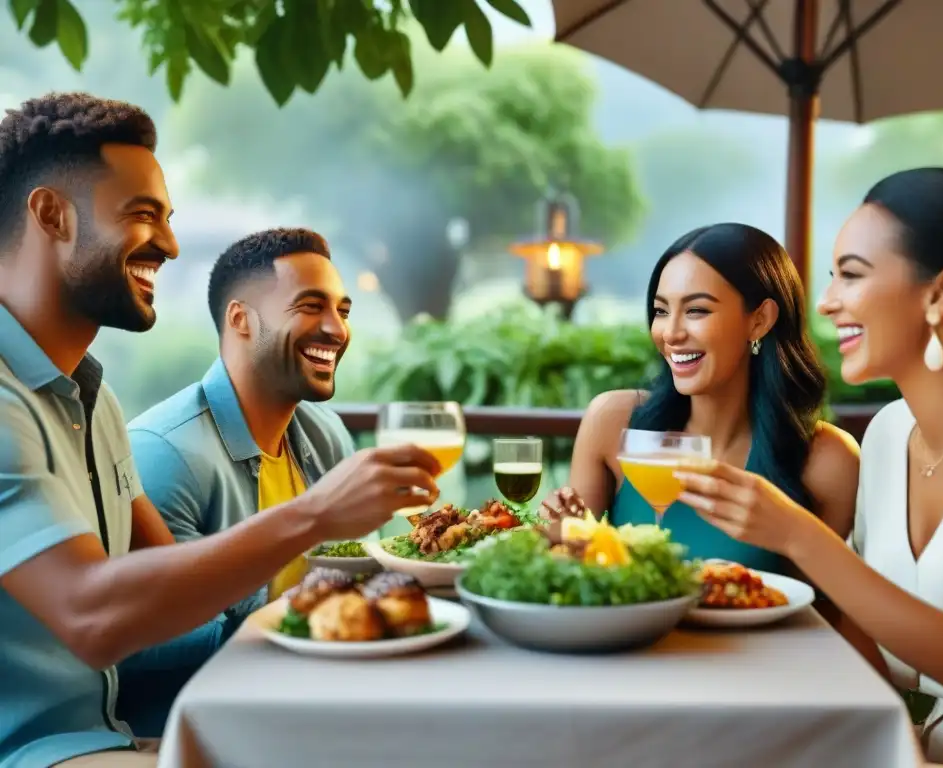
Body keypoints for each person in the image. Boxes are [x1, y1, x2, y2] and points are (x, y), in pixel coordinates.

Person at [0, 92, 440, 768]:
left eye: (169, 220)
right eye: (143, 216)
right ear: (51, 215)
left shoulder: (96, 402)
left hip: (106, 735)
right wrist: (317, 515)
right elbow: (94, 617)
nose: (171, 246)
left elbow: (163, 584)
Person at [675, 169, 943, 766]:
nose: (829, 300)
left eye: (852, 274)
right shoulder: (888, 433)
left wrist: (794, 534)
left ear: (941, 293)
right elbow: (861, 623)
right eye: (832, 274)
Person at [115, 227, 360, 736]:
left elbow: (354, 577)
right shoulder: (165, 453)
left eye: (343, 310)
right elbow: (136, 639)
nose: (336, 329)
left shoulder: (326, 434)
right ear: (240, 319)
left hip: (322, 700)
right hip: (209, 732)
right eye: (311, 306)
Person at [542, 223, 859, 573]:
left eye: (696, 311)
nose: (671, 333)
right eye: (662, 311)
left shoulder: (827, 461)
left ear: (760, 320)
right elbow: (572, 577)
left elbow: (816, 608)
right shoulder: (613, 422)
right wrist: (563, 539)